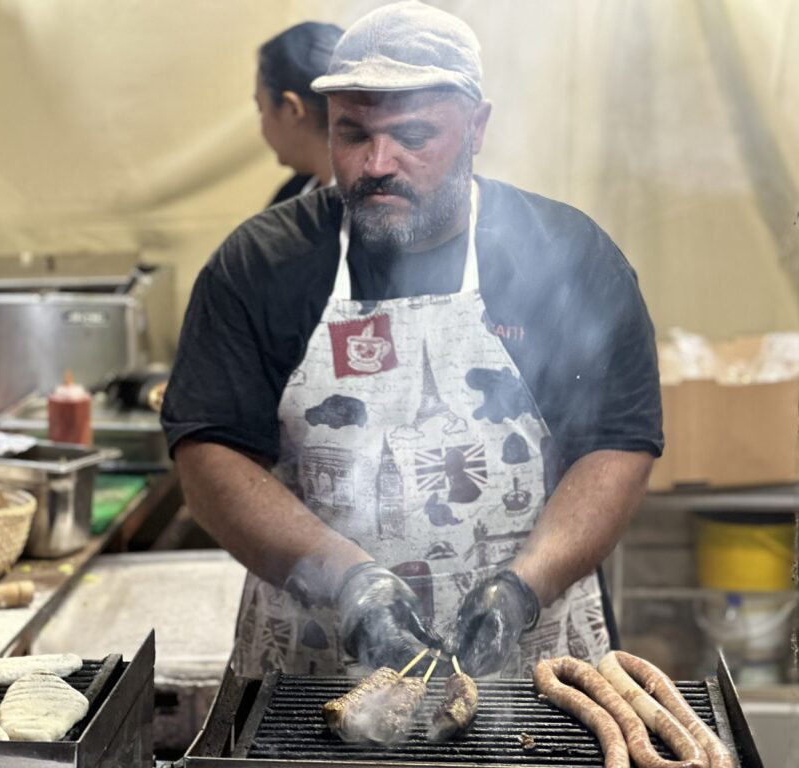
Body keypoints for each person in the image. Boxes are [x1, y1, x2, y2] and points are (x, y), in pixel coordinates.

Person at [162, 0, 663, 680]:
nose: (377, 162)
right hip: (315, 666)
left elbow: (616, 443)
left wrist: (521, 588)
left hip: (529, 666)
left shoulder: (567, 257)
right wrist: (349, 583)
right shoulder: (261, 265)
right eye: (353, 134)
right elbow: (208, 453)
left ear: (477, 126)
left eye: (414, 135)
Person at [255, 21, 343, 206]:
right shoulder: (292, 194)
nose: (262, 129)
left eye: (261, 108)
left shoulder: (376, 211)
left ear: (293, 109)